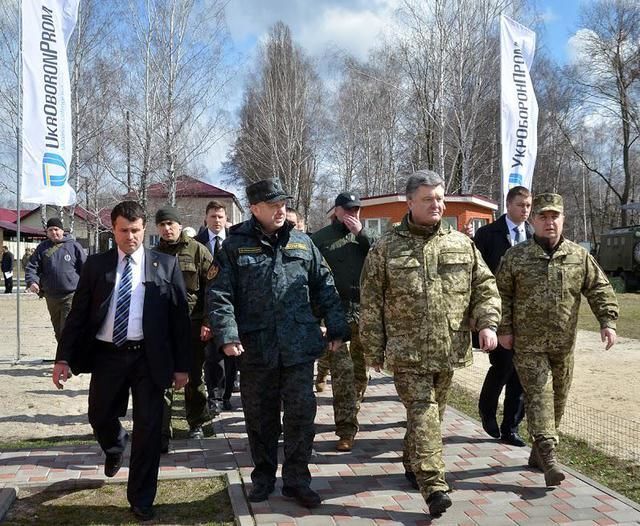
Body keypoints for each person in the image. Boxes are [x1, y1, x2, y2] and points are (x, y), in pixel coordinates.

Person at [359, 170, 501, 517]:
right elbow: (371, 300)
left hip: (448, 349)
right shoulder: (386, 247)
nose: (436, 204)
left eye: (439, 198)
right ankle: (434, 484)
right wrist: (373, 348)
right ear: (410, 203)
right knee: (423, 412)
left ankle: (413, 461)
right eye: (428, 199)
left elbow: (484, 287)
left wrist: (487, 323)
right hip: (407, 351)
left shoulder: (461, 244)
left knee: (432, 415)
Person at [207, 178, 349, 508]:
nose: (281, 209)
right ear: (255, 209)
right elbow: (219, 296)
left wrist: (338, 327)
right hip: (256, 349)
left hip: (299, 348)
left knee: (301, 417)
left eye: (284, 204)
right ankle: (263, 478)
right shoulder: (234, 245)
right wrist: (227, 335)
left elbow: (325, 285)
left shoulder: (303, 243)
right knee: (260, 419)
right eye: (274, 205)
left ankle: (297, 481)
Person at [52, 201, 191, 522]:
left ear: (145, 230)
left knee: (149, 428)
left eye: (136, 230)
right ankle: (115, 446)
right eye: (124, 230)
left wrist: (182, 366)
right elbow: (78, 315)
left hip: (149, 358)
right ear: (113, 230)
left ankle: (141, 498)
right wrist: (63, 358)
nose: (130, 236)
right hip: (108, 356)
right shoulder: (96, 265)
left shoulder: (165, 265)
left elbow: (180, 320)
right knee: (99, 415)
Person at [495, 193, 618, 487]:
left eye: (555, 217)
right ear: (533, 220)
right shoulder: (517, 256)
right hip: (528, 345)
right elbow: (501, 295)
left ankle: (538, 452)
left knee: (558, 402)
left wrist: (608, 321)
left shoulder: (578, 256)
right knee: (539, 396)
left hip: (563, 346)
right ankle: (549, 456)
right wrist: (504, 329)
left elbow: (599, 288)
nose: (549, 223)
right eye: (543, 217)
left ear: (563, 219)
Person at [311, 191, 378, 452]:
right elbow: (312, 280)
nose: (353, 214)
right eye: (347, 210)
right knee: (342, 374)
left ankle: (352, 412)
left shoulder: (366, 237)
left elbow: (383, 255)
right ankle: (346, 430)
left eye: (357, 210)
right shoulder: (320, 239)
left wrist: (362, 233)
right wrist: (318, 318)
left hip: (364, 313)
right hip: (335, 314)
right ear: (335, 211)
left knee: (361, 373)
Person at [473, 186, 533, 447]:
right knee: (504, 365)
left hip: (527, 316)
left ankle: (511, 427)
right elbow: (475, 275)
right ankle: (487, 409)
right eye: (521, 204)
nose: (525, 210)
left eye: (529, 205)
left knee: (520, 372)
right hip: (496, 313)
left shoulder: (533, 235)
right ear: (509, 204)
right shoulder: (487, 235)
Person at [153, 207, 213, 450]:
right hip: (163, 326)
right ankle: (161, 431)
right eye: (162, 225)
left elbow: (213, 288)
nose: (167, 229)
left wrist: (209, 322)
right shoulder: (152, 254)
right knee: (163, 376)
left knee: (194, 376)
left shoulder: (198, 250)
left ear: (179, 225)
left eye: (171, 224)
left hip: (192, 323)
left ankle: (196, 422)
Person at [195, 200, 237, 413]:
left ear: (226, 219)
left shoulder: (235, 242)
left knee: (231, 357)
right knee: (213, 357)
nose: (217, 220)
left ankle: (227, 395)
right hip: (208, 310)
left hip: (232, 310)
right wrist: (205, 318)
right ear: (206, 218)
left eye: (221, 216)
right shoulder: (197, 244)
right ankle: (215, 397)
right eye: (213, 216)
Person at [25, 218, 86, 343]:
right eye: (50, 230)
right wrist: (32, 282)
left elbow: (86, 269)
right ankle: (64, 354)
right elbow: (32, 267)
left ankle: (68, 358)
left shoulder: (74, 246)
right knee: (58, 329)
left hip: (70, 295)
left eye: (56, 229)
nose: (54, 232)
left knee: (67, 328)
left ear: (62, 230)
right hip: (51, 296)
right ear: (47, 232)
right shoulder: (42, 248)